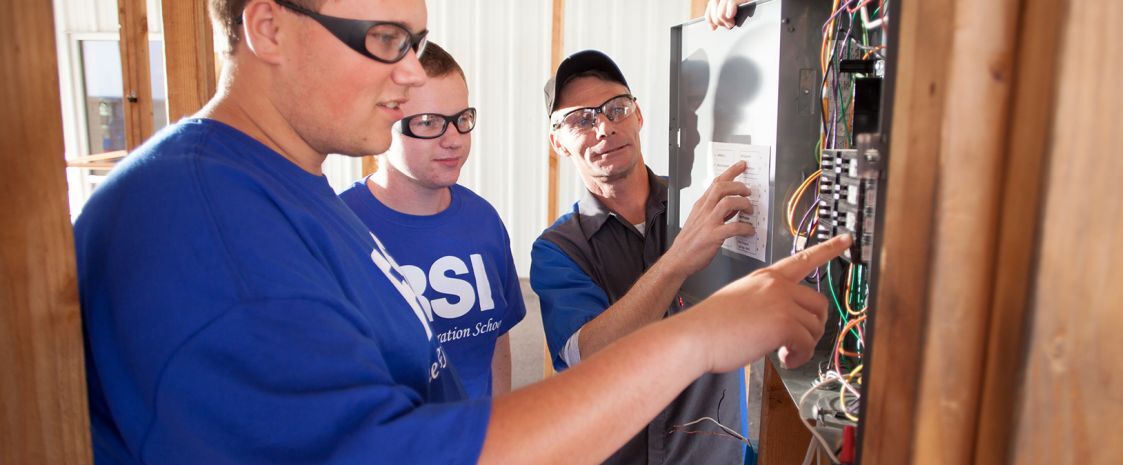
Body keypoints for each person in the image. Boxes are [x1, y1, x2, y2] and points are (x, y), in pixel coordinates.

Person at [73, 0, 850, 463]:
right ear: (269, 27)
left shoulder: (288, 188)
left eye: (414, 42)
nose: (411, 74)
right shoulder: (207, 229)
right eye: (385, 38)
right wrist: (700, 334)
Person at [532, 50, 769, 464]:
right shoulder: (558, 248)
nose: (604, 128)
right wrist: (678, 260)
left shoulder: (703, 206)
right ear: (558, 142)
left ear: (638, 116)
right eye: (580, 120)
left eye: (616, 109)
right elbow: (590, 358)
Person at [340, 42, 523, 398]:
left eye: (462, 120)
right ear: (384, 120)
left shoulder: (483, 220)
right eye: (429, 123)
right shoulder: (341, 227)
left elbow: (498, 342)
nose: (453, 139)